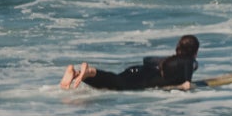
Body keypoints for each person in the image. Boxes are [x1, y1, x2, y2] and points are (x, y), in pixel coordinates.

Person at [62, 34, 201, 92]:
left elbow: (147, 59)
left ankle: (81, 74)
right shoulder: (190, 62)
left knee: (113, 82)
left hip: (137, 71)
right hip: (143, 79)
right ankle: (88, 72)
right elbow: (187, 84)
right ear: (195, 51)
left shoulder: (169, 60)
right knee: (115, 84)